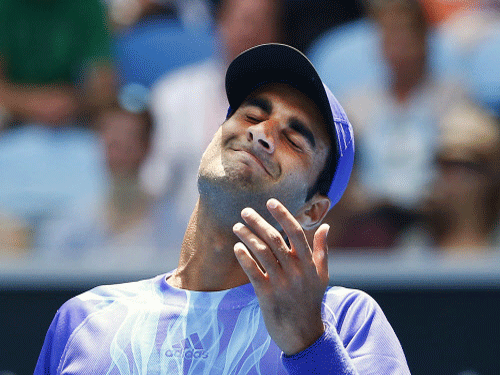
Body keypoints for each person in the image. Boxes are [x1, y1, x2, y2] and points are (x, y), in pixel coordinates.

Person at [35, 44, 410, 374]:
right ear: (213, 138)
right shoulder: (84, 319)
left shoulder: (345, 322)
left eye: (293, 139)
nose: (261, 133)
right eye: (250, 115)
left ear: (313, 210)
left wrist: (310, 346)